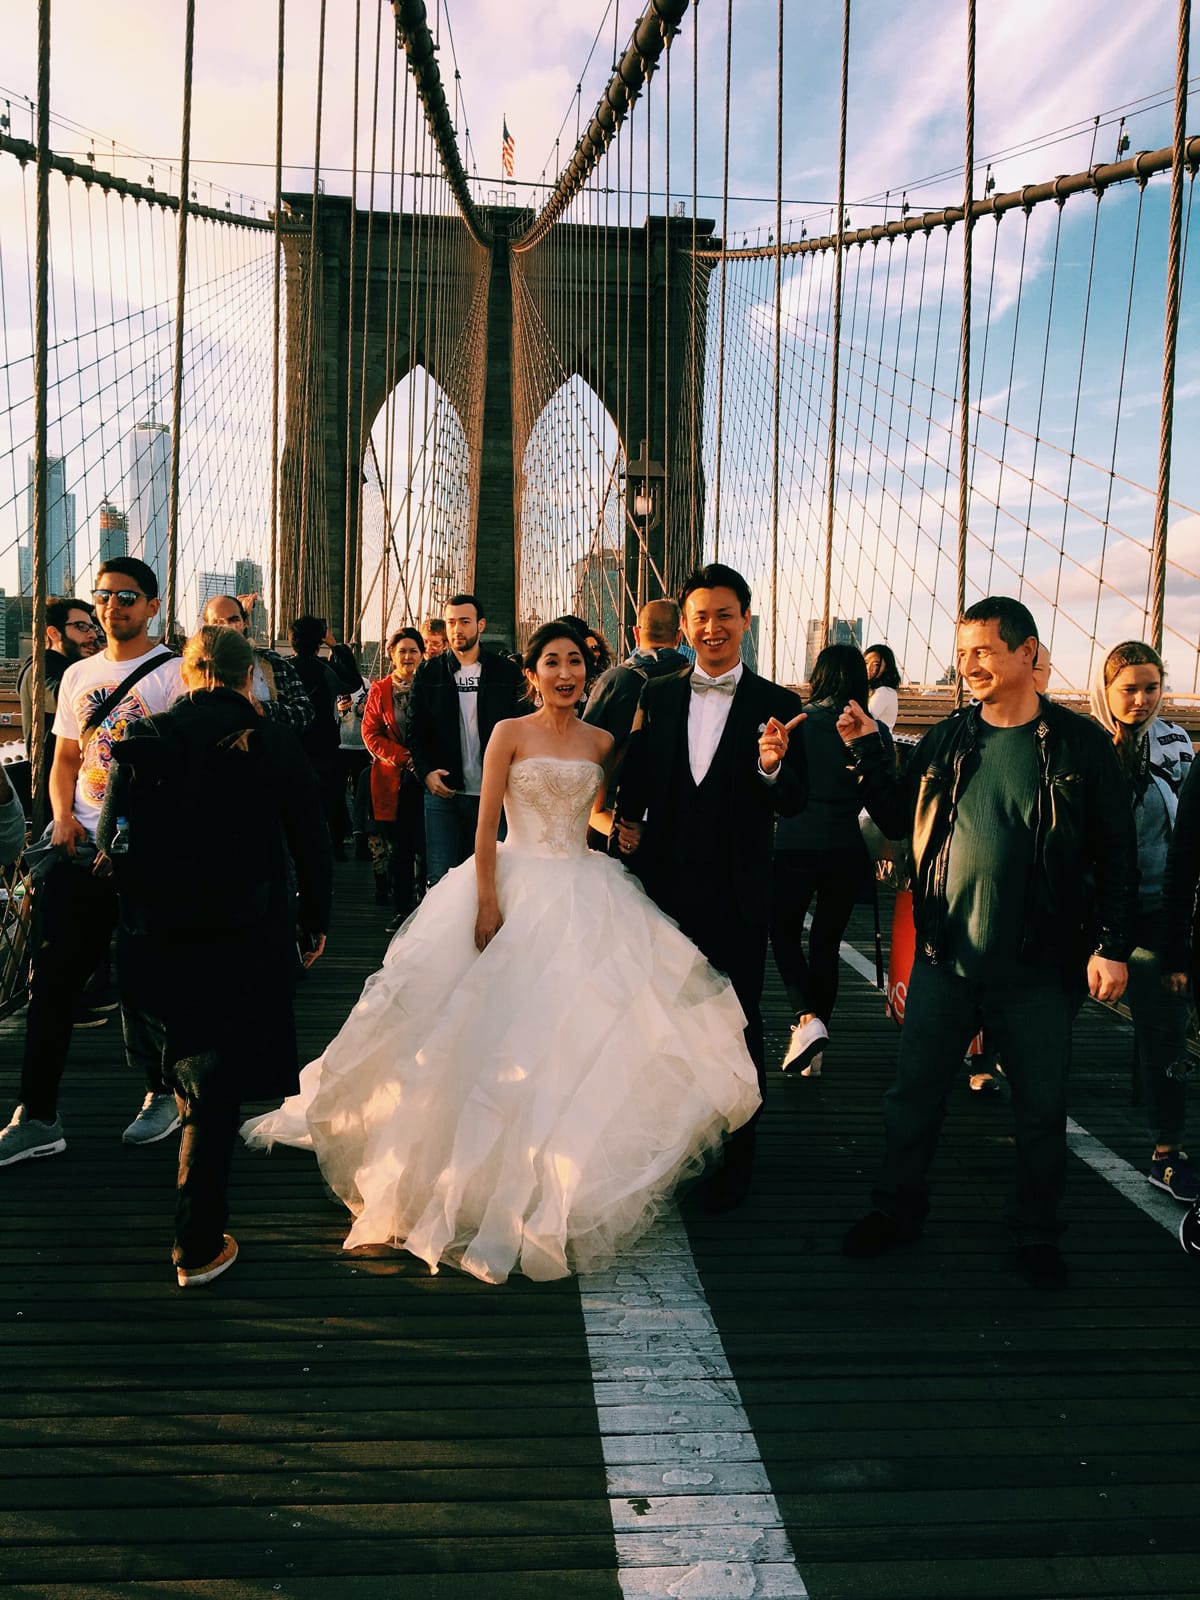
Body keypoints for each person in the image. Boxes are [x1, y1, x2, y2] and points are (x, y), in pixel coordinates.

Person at [242, 621, 760, 1284]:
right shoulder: (509, 733)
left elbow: (593, 815)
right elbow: (487, 825)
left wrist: (621, 830)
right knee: (480, 1028)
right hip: (512, 883)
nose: (566, 673)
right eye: (553, 662)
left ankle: (553, 1163)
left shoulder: (603, 741)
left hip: (582, 886)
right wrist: (488, 902)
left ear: (588, 672)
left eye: (576, 662)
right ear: (533, 671)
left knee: (570, 1033)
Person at [837, 596, 1136, 1290]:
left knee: (1040, 1110)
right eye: (962, 651)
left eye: (983, 651)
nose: (967, 665)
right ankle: (896, 1211)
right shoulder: (949, 739)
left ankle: (1035, 1234)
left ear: (1028, 653)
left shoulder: (1081, 745)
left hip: (1041, 966)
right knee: (912, 1095)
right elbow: (893, 816)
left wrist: (1114, 944)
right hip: (947, 957)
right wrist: (862, 752)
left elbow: (1118, 855)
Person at [100, 626, 330, 1286]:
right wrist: (313, 924)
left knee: (187, 1065)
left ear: (189, 673)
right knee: (216, 1083)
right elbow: (311, 843)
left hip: (153, 935)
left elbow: (112, 840)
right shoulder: (274, 741)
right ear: (248, 676)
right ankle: (196, 1244)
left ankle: (196, 1228)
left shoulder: (144, 737)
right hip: (240, 934)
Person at [614, 563, 808, 1212]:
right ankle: (671, 1153)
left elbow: (797, 798)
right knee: (662, 1027)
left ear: (746, 621)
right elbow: (634, 786)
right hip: (661, 893)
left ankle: (735, 1165)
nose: (713, 627)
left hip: (738, 897)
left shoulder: (779, 706)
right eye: (701, 617)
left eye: (725, 614)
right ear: (685, 627)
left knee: (737, 1028)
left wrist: (771, 765)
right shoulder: (658, 695)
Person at [0, 558, 185, 1168]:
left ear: (153, 606)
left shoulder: (178, 674)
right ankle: (38, 1113)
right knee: (51, 980)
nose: (113, 607)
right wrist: (65, 818)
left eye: (128, 596)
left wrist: (134, 833)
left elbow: (186, 776)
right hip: (78, 849)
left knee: (149, 979)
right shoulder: (79, 674)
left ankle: (162, 1091)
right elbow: (65, 760)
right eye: (103, 596)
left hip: (146, 853)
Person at [1088, 642, 1197, 1204]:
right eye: (1128, 688)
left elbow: (1184, 836)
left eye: (1151, 687)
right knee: (1043, 1021)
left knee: (1165, 1029)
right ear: (1105, 688)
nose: (1140, 699)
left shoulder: (1177, 743)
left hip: (1158, 908)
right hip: (1090, 913)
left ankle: (1166, 1154)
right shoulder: (1081, 745)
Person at [773, 644, 893, 1077]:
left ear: (818, 675)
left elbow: (780, 787)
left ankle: (806, 1019)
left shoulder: (799, 724)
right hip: (847, 850)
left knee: (783, 932)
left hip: (794, 846)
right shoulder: (873, 729)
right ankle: (815, 1051)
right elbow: (883, 791)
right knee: (826, 943)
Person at [404, 594, 528, 885]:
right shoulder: (428, 672)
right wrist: (425, 774)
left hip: (496, 793)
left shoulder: (505, 672)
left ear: (480, 625)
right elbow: (415, 729)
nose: (456, 629)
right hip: (445, 791)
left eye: (464, 621)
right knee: (440, 878)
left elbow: (523, 726)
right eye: (451, 622)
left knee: (497, 877)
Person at [362, 627, 426, 930]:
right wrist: (406, 759)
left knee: (428, 847)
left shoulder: (432, 686)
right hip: (395, 781)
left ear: (422, 654)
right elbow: (370, 734)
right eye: (402, 651)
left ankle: (431, 911)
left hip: (430, 780)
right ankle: (403, 911)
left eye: (414, 650)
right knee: (401, 849)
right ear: (392, 655)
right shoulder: (380, 690)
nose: (408, 656)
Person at [288, 615, 364, 858]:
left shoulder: (283, 667)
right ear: (319, 640)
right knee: (330, 796)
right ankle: (335, 845)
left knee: (295, 797)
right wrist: (336, 646)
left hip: (293, 742)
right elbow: (353, 683)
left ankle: (297, 844)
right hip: (325, 744)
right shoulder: (326, 668)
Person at [201, 594, 314, 732]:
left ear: (246, 622)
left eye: (233, 620)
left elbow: (306, 713)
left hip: (268, 750)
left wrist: (264, 709)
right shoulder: (196, 667)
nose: (227, 627)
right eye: (218, 623)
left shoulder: (274, 662)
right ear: (206, 628)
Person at [863, 643, 901, 730]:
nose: (868, 668)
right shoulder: (874, 689)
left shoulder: (884, 691)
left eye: (876, 664)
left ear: (887, 667)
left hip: (878, 741)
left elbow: (865, 719)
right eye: (866, 662)